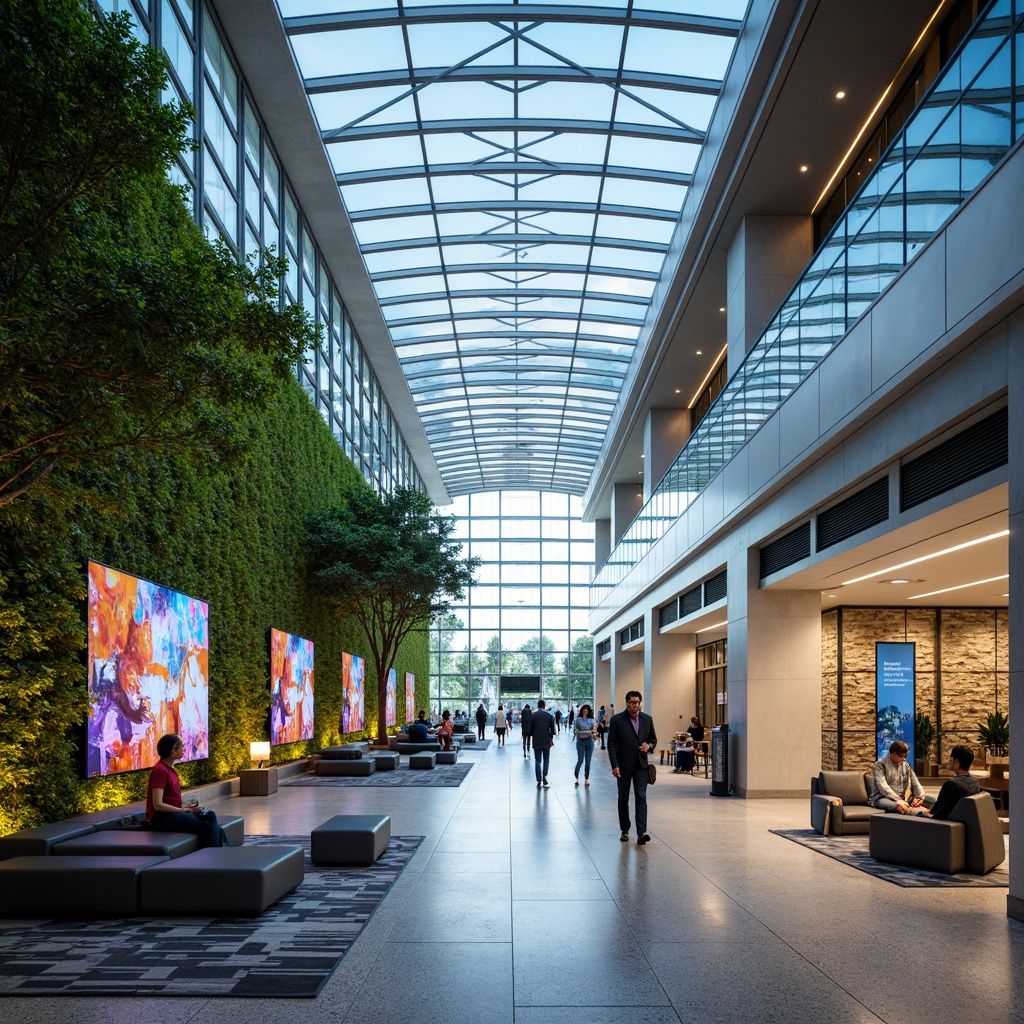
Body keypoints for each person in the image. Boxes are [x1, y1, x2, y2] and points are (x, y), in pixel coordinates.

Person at [147, 733, 229, 847]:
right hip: (160, 818)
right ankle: (214, 855)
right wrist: (183, 811)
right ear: (172, 750)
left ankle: (220, 854)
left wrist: (187, 808)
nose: (184, 748)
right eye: (182, 746)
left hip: (171, 814)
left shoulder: (169, 769)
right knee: (209, 820)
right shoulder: (160, 771)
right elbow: (158, 805)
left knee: (214, 824)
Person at [607, 691, 657, 844]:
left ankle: (641, 832)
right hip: (623, 766)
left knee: (641, 797)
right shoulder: (617, 720)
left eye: (636, 702)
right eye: (631, 702)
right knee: (623, 798)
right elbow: (611, 744)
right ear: (627, 703)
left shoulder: (647, 719)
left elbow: (653, 739)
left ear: (640, 703)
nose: (634, 704)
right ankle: (625, 830)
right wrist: (615, 765)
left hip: (641, 765)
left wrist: (649, 746)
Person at [869, 740, 934, 814]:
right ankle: (917, 813)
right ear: (893, 754)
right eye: (902, 756)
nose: (904, 758)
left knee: (933, 802)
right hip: (883, 797)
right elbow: (882, 786)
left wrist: (920, 796)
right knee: (897, 806)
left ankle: (918, 812)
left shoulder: (905, 765)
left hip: (904, 799)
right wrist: (898, 800)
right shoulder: (880, 765)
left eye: (905, 756)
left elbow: (914, 781)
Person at [924, 745, 981, 819]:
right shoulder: (975, 783)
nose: (949, 761)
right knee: (926, 799)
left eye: (950, 759)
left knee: (909, 810)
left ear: (957, 762)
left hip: (940, 824)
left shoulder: (951, 785)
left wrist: (924, 811)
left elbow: (935, 813)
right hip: (958, 818)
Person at [530, 699, 556, 788]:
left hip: (536, 741)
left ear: (538, 706)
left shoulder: (533, 716)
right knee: (546, 759)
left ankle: (538, 780)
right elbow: (552, 730)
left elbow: (530, 730)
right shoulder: (549, 716)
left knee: (537, 760)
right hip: (546, 741)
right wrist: (551, 739)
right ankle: (544, 776)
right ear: (544, 706)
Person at [573, 703, 597, 787]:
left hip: (589, 741)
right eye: (584, 709)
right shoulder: (578, 719)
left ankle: (586, 778)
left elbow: (594, 729)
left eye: (587, 709)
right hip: (580, 741)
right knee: (580, 760)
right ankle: (576, 775)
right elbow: (582, 728)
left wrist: (589, 730)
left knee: (588, 761)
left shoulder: (592, 720)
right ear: (582, 711)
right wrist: (589, 730)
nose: (585, 711)